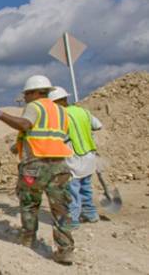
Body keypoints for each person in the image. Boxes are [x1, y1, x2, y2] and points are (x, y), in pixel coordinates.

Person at [0, 75, 75, 265]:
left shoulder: (35, 106)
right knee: (61, 209)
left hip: (36, 165)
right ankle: (65, 250)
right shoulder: (62, 111)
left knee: (30, 204)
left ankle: (28, 239)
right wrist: (19, 145)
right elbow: (51, 135)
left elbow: (25, 125)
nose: (24, 98)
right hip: (60, 167)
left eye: (26, 94)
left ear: (34, 93)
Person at [48, 86, 103, 228]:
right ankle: (91, 214)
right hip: (89, 156)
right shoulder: (83, 112)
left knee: (72, 190)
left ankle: (73, 219)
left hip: (73, 157)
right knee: (85, 187)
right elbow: (98, 125)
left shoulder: (60, 117)